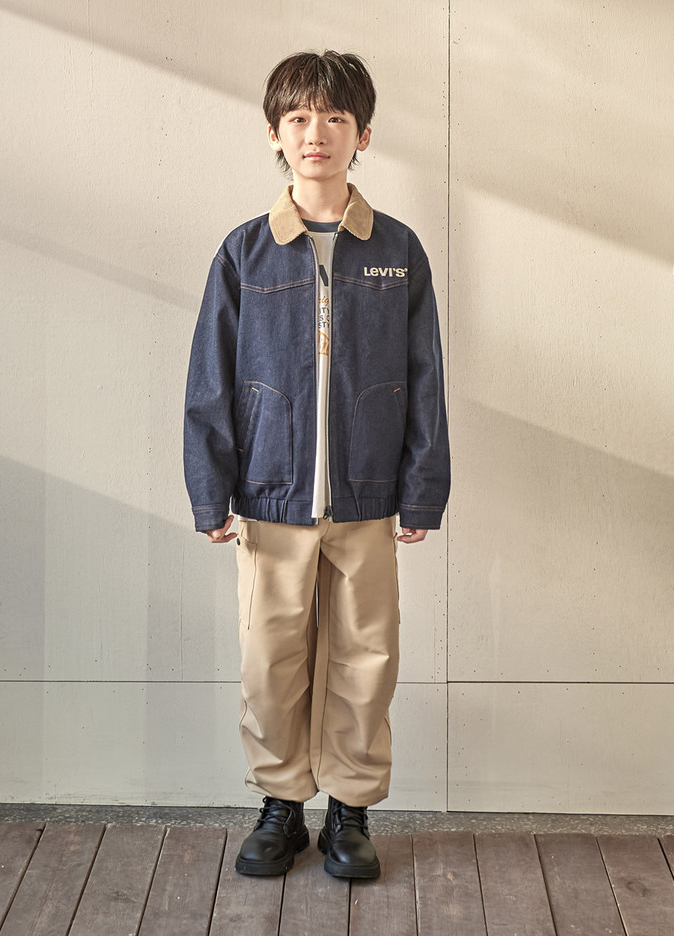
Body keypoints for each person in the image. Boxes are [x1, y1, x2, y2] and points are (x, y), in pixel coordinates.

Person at [184, 50, 450, 880]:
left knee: (366, 661)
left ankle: (350, 813)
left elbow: (425, 377)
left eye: (335, 117)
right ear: (275, 133)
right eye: (299, 117)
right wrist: (210, 490)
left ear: (361, 134)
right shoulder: (246, 252)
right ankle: (280, 807)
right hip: (270, 499)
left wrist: (422, 491)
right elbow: (211, 381)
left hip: (368, 499)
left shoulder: (397, 249)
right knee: (271, 662)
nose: (316, 133)